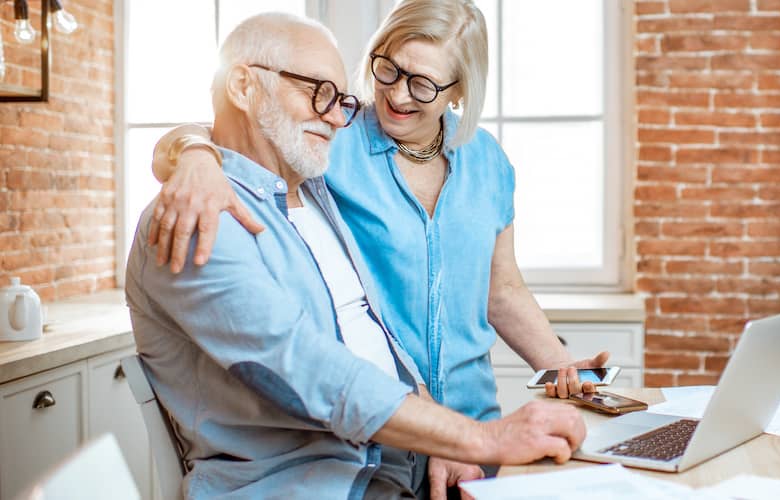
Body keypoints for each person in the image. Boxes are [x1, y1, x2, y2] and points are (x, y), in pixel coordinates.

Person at [126, 12, 584, 499]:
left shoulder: (311, 193)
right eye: (319, 92)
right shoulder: (221, 206)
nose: (337, 114)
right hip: (348, 468)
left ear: (458, 91)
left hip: (425, 447)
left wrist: (561, 374)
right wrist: (194, 153)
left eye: (424, 84)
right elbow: (306, 365)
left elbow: (467, 301)